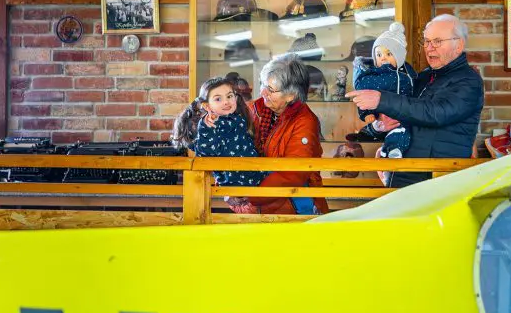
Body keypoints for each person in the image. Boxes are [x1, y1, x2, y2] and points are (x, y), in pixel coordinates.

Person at [347, 14, 484, 189]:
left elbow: (434, 113)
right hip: (406, 174)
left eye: (437, 41)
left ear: (459, 46)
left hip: (439, 180)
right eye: (426, 41)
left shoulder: (468, 81)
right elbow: (403, 115)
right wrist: (378, 128)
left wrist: (381, 99)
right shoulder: (424, 76)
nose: (429, 48)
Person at [237, 55, 330, 215]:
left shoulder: (305, 121)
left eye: (271, 90)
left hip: (293, 208)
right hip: (256, 206)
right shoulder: (252, 110)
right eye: (263, 85)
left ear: (291, 95)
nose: (263, 92)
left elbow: (293, 173)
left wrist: (252, 195)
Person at [172, 77, 265, 212]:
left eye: (229, 96)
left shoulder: (237, 118)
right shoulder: (210, 125)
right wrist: (205, 127)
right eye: (218, 99)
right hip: (236, 188)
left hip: (255, 179)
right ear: (207, 106)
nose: (226, 102)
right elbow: (205, 152)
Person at [350, 21, 417, 159]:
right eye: (379, 55)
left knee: (402, 132)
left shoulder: (408, 73)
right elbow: (364, 95)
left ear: (399, 56)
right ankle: (385, 150)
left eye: (389, 54)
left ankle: (391, 151)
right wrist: (367, 113)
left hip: (404, 116)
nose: (383, 58)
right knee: (393, 130)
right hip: (383, 116)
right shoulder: (374, 76)